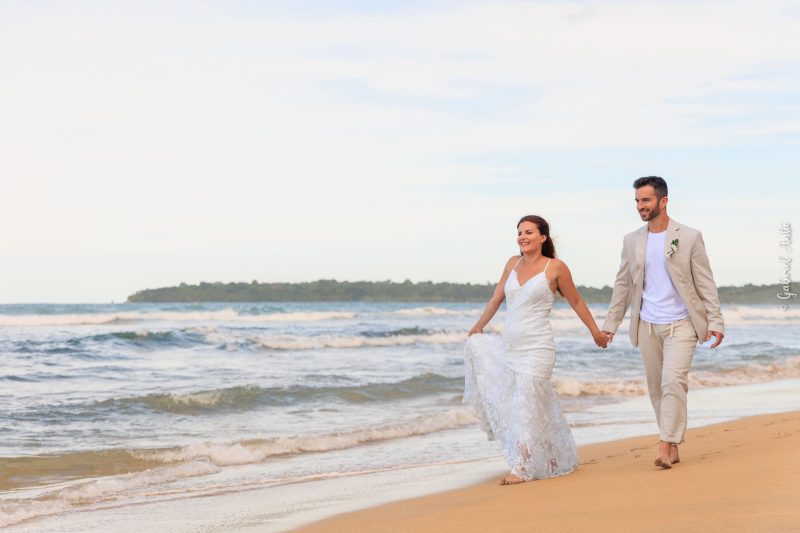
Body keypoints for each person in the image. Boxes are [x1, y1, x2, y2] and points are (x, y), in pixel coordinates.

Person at [464, 215, 608, 485]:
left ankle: (521, 466)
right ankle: (555, 457)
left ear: (543, 237)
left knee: (526, 404)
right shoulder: (512, 263)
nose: (522, 237)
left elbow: (576, 301)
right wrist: (478, 327)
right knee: (529, 406)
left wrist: (595, 333)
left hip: (538, 347)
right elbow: (497, 297)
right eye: (519, 232)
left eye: (528, 232)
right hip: (511, 347)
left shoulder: (555, 268)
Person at [601, 176, 724, 469]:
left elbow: (705, 282)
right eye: (637, 201)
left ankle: (665, 442)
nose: (640, 206)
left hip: (681, 323)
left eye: (645, 200)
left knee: (673, 381)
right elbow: (623, 285)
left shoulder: (690, 236)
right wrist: (610, 325)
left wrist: (716, 321)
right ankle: (673, 443)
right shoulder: (631, 240)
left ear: (663, 201)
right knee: (657, 387)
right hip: (647, 325)